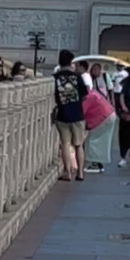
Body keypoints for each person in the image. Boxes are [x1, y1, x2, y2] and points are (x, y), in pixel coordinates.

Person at [52, 49, 87, 182]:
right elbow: (84, 95)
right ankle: (80, 173)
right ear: (71, 62)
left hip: (62, 115)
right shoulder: (77, 77)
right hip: (77, 114)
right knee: (79, 145)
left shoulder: (55, 78)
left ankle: (68, 172)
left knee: (65, 144)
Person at [82, 86, 118, 173]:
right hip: (109, 114)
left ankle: (95, 165)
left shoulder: (87, 97)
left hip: (103, 117)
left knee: (92, 140)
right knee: (101, 141)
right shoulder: (93, 93)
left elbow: (81, 112)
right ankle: (99, 164)